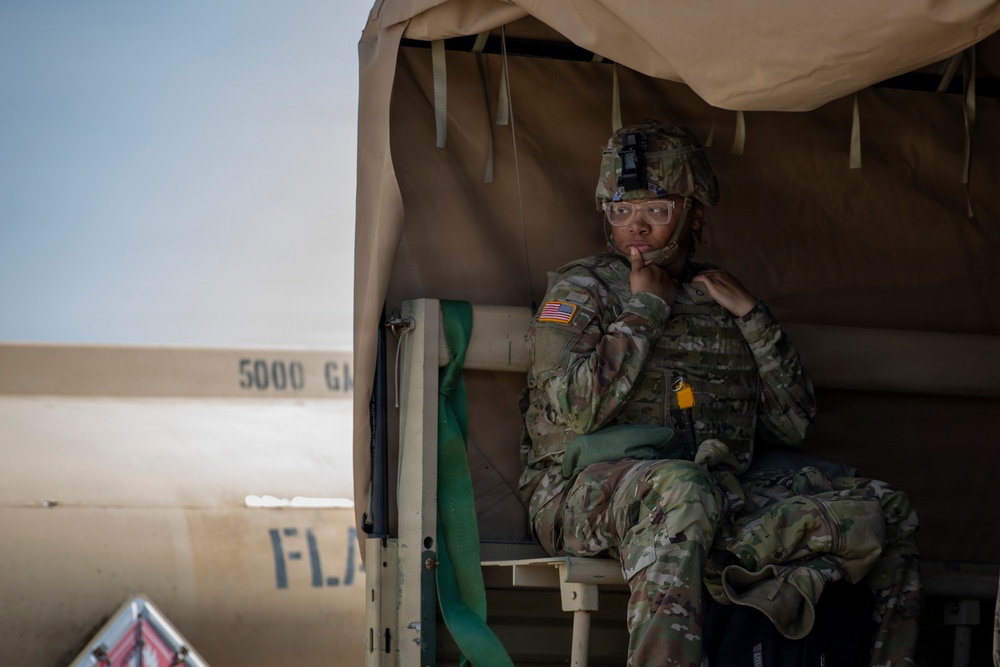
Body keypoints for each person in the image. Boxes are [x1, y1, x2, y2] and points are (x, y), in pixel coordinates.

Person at [518, 120, 920, 666]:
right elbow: (574, 410)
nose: (636, 228)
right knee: (682, 491)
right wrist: (645, 311)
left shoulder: (717, 294)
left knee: (885, 507)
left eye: (656, 212)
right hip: (580, 496)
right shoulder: (582, 289)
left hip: (714, 486)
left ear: (694, 216)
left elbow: (794, 424)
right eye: (621, 212)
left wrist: (753, 318)